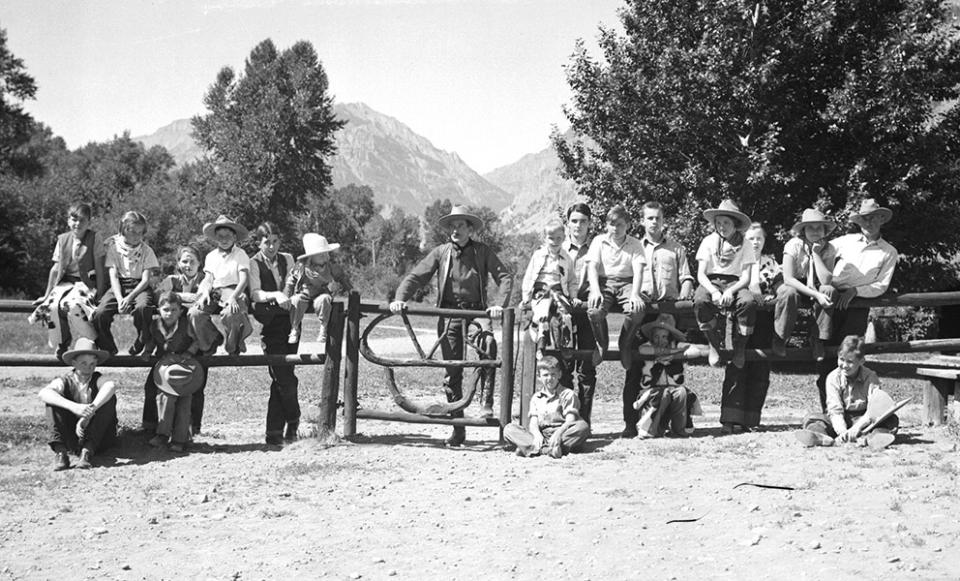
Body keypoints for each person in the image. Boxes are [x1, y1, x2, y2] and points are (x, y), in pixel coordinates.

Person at [390, 204, 514, 446]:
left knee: (488, 343)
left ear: (470, 228)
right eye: (452, 226)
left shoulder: (482, 251)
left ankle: (486, 399)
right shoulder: (441, 252)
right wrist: (399, 298)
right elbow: (417, 276)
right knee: (452, 370)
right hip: (448, 314)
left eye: (460, 225)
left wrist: (499, 304)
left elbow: (504, 277)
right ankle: (458, 427)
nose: (455, 230)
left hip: (477, 311)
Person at [815, 199, 898, 412]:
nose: (868, 223)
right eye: (864, 219)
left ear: (881, 219)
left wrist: (856, 291)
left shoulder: (889, 252)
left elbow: (881, 285)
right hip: (832, 299)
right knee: (827, 351)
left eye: (873, 218)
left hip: (858, 303)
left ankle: (853, 407)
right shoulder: (844, 241)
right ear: (858, 222)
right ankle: (829, 409)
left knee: (851, 353)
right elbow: (820, 255)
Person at [621, 200, 695, 438]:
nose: (654, 222)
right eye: (649, 218)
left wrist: (685, 291)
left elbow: (687, 277)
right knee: (635, 368)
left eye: (658, 218)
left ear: (664, 221)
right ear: (642, 221)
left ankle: (668, 422)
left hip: (669, 311)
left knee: (669, 365)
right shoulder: (632, 247)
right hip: (643, 311)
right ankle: (631, 423)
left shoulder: (676, 248)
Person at [719, 222, 777, 433]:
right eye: (751, 238)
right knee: (737, 363)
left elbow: (778, 284)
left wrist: (776, 295)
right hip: (740, 317)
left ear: (764, 241)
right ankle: (730, 418)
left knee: (760, 364)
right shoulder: (736, 259)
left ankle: (751, 419)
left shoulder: (770, 261)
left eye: (759, 238)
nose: (755, 242)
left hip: (763, 320)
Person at [796, 335, 898, 450]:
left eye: (850, 362)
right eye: (841, 359)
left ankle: (873, 438)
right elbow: (835, 410)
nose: (844, 365)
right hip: (840, 419)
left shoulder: (870, 377)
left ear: (861, 361)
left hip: (863, 419)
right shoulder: (833, 378)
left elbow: (874, 410)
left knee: (891, 419)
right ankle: (820, 436)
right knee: (812, 418)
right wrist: (842, 432)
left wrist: (857, 428)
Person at [248, 222, 301, 446]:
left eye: (275, 241)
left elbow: (296, 282)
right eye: (266, 242)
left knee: (282, 375)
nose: (271, 246)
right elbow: (255, 292)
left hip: (290, 322)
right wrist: (276, 295)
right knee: (282, 376)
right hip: (270, 324)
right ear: (259, 242)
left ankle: (274, 433)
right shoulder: (253, 263)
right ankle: (294, 418)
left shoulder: (288, 259)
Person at [31, 202, 106, 358]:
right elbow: (55, 269)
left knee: (72, 306)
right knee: (51, 307)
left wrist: (100, 293)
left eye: (82, 220)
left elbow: (100, 268)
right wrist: (46, 295)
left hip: (85, 283)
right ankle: (62, 342)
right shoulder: (63, 239)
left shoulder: (94, 238)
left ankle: (94, 338)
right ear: (68, 220)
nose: (77, 223)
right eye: (74, 219)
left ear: (89, 222)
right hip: (66, 283)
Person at [693, 199, 757, 368]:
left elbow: (746, 277)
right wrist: (714, 291)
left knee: (748, 303)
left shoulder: (746, 244)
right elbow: (700, 274)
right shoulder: (708, 241)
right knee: (700, 301)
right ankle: (714, 342)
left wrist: (730, 291)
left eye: (726, 222)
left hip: (736, 283)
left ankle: (740, 346)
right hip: (711, 280)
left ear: (735, 224)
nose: (722, 226)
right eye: (719, 223)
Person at [38, 338, 118, 470]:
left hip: (100, 436)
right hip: (72, 436)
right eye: (84, 363)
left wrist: (89, 412)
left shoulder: (98, 379)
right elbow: (43, 393)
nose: (89, 367)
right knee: (52, 401)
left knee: (108, 399)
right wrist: (75, 407)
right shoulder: (65, 381)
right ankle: (61, 452)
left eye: (93, 363)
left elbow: (111, 385)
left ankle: (88, 451)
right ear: (74, 363)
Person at [585, 204, 646, 369]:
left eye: (620, 224)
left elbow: (639, 271)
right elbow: (592, 267)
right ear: (606, 225)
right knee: (594, 310)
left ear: (627, 225)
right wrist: (595, 290)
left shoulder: (635, 244)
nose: (615, 228)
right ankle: (602, 342)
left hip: (627, 282)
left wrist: (635, 294)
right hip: (605, 281)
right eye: (612, 224)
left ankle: (625, 343)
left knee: (637, 310)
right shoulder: (599, 241)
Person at [92, 211, 159, 356]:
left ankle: (143, 338)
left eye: (140, 233)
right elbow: (113, 275)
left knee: (143, 307)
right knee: (99, 313)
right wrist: (119, 299)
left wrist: (130, 298)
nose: (136, 236)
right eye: (132, 231)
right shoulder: (114, 249)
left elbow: (146, 279)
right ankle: (107, 346)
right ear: (123, 230)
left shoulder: (147, 251)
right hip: (119, 286)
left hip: (140, 286)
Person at [773, 209, 837, 359]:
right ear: (803, 230)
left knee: (829, 290)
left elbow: (826, 280)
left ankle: (817, 339)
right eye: (810, 227)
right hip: (789, 281)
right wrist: (816, 294)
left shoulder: (829, 248)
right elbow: (788, 278)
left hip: (813, 283)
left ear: (824, 230)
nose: (815, 231)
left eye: (819, 227)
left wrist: (816, 253)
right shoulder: (793, 245)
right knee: (789, 293)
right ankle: (780, 337)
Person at [142, 292, 202, 452]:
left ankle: (180, 439)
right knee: (165, 399)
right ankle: (162, 434)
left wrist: (189, 353)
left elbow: (197, 341)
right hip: (165, 369)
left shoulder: (186, 324)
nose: (169, 313)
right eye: (166, 309)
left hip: (184, 367)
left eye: (174, 310)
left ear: (181, 311)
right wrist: (147, 352)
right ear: (159, 310)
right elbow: (152, 341)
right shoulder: (155, 325)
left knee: (184, 402)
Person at [189, 215, 254, 356]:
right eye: (220, 236)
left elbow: (244, 280)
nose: (224, 240)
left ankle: (233, 342)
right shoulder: (211, 256)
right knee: (195, 313)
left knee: (232, 312)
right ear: (215, 238)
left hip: (234, 290)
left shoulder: (240, 254)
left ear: (235, 237)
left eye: (228, 236)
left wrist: (233, 297)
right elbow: (208, 278)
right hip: (215, 292)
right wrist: (205, 292)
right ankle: (211, 339)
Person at [629, 315, 701, 439]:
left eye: (664, 337)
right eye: (656, 336)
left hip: (674, 389)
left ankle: (680, 429)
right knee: (661, 394)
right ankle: (650, 430)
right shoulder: (648, 345)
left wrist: (674, 355)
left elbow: (695, 351)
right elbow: (643, 350)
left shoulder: (676, 345)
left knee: (682, 392)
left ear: (670, 337)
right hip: (652, 390)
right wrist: (667, 353)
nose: (659, 340)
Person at [503, 355, 590, 458]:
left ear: (559, 375)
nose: (550, 378)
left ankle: (531, 449)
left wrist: (558, 434)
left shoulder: (567, 394)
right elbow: (533, 423)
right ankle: (548, 450)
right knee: (509, 429)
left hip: (562, 432)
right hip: (543, 433)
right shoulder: (536, 398)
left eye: (553, 374)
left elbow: (570, 421)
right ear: (539, 377)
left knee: (582, 427)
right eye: (545, 375)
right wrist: (537, 435)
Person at [563, 203, 597, 422]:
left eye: (583, 221)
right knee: (564, 364)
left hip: (587, 310)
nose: (578, 225)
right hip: (564, 311)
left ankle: (584, 419)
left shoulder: (596, 249)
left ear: (589, 224)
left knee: (587, 367)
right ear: (567, 224)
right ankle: (565, 417)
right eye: (574, 221)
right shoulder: (558, 247)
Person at [285, 233, 351, 346]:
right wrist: (286, 295)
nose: (325, 257)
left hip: (321, 292)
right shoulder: (301, 267)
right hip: (304, 293)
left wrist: (350, 289)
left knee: (325, 300)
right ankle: (294, 328)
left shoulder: (330, 267)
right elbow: (291, 280)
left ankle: (323, 328)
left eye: (326, 254)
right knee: (296, 301)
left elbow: (341, 277)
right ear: (311, 257)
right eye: (321, 255)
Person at [519, 218, 575, 348]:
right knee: (542, 311)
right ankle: (540, 335)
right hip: (541, 290)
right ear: (545, 238)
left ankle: (564, 342)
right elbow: (528, 277)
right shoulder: (538, 255)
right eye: (551, 238)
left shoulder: (566, 258)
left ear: (564, 238)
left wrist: (573, 296)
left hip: (559, 291)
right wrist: (525, 297)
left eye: (558, 238)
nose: (555, 242)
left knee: (564, 314)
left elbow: (572, 280)